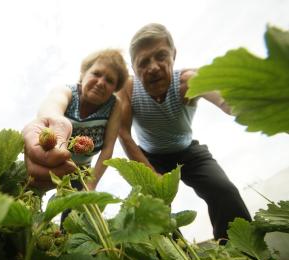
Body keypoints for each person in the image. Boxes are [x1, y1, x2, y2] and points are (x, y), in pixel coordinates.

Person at [117, 23, 251, 241]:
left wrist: (255, 101)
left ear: (173, 55)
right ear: (133, 68)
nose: (153, 67)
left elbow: (226, 102)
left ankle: (244, 254)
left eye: (161, 56)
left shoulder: (188, 80)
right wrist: (150, 172)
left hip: (188, 152)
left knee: (224, 191)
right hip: (150, 157)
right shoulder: (129, 89)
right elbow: (123, 132)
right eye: (143, 62)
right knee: (150, 211)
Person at [22, 49, 128, 191]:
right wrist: (52, 122)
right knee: (28, 195)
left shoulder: (114, 105)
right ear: (83, 73)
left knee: (77, 210)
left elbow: (108, 149)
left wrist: (91, 185)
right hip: (48, 161)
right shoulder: (67, 91)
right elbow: (52, 106)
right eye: (96, 74)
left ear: (115, 88)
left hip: (81, 172)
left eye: (109, 80)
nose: (101, 82)